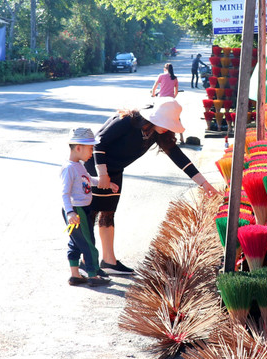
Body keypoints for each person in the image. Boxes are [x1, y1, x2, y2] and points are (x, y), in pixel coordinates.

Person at [84, 98, 218, 273]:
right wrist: (102, 174)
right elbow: (99, 141)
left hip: (115, 171)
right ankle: (87, 261)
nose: (166, 127)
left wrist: (204, 183)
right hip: (94, 168)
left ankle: (109, 261)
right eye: (164, 122)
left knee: (108, 213)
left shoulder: (157, 133)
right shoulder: (127, 120)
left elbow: (178, 157)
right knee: (91, 214)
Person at [60, 127, 117, 287]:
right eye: (91, 148)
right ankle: (93, 275)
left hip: (82, 209)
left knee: (76, 242)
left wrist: (104, 183)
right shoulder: (69, 168)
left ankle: (75, 275)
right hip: (76, 211)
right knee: (88, 243)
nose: (92, 152)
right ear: (78, 148)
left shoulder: (79, 165)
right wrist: (70, 212)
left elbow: (87, 180)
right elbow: (64, 193)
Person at [151, 63, 185, 144]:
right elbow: (176, 92)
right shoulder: (175, 78)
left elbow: (154, 87)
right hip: (171, 99)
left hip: (161, 99)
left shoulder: (161, 76)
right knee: (177, 118)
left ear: (165, 69)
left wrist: (153, 94)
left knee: (153, 116)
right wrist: (172, 98)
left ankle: (151, 134)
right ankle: (182, 137)